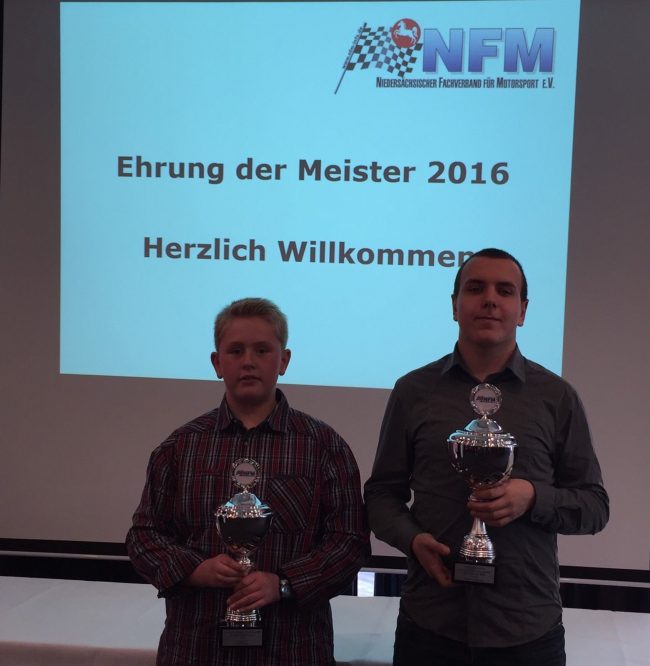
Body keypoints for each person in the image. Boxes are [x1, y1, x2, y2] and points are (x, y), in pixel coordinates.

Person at [364, 248, 609, 665]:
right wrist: (412, 540)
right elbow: (381, 495)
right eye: (476, 288)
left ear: (522, 311)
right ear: (455, 305)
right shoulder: (413, 391)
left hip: (526, 630)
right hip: (430, 625)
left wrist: (533, 497)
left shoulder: (557, 397)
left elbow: (595, 507)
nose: (490, 299)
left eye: (505, 291)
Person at [127, 297, 369, 666]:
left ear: (283, 360)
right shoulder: (180, 447)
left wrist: (283, 583)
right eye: (236, 351)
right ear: (217, 363)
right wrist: (196, 570)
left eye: (262, 350)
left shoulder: (324, 446)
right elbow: (144, 537)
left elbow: (350, 542)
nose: (248, 361)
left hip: (293, 650)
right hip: (196, 649)